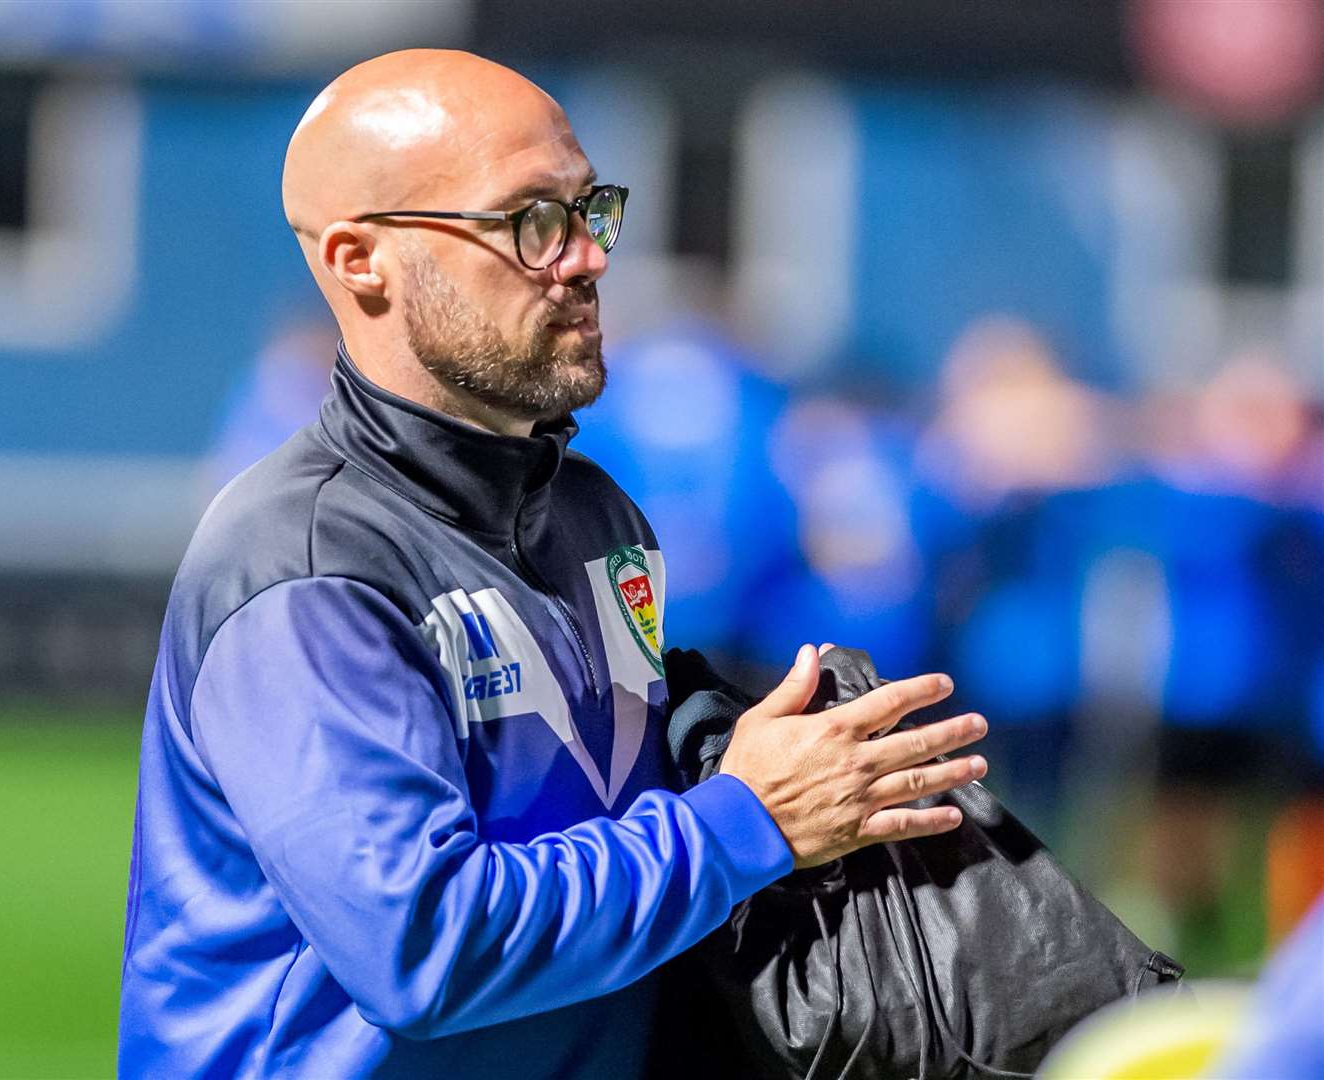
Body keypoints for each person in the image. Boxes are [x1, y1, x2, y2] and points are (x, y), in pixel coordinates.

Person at [117, 49, 989, 1079]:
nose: (585, 257)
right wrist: (746, 819)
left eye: (589, 209)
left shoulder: (595, 513)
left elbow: (618, 857)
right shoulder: (305, 564)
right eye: (528, 219)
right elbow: (425, 948)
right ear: (362, 260)